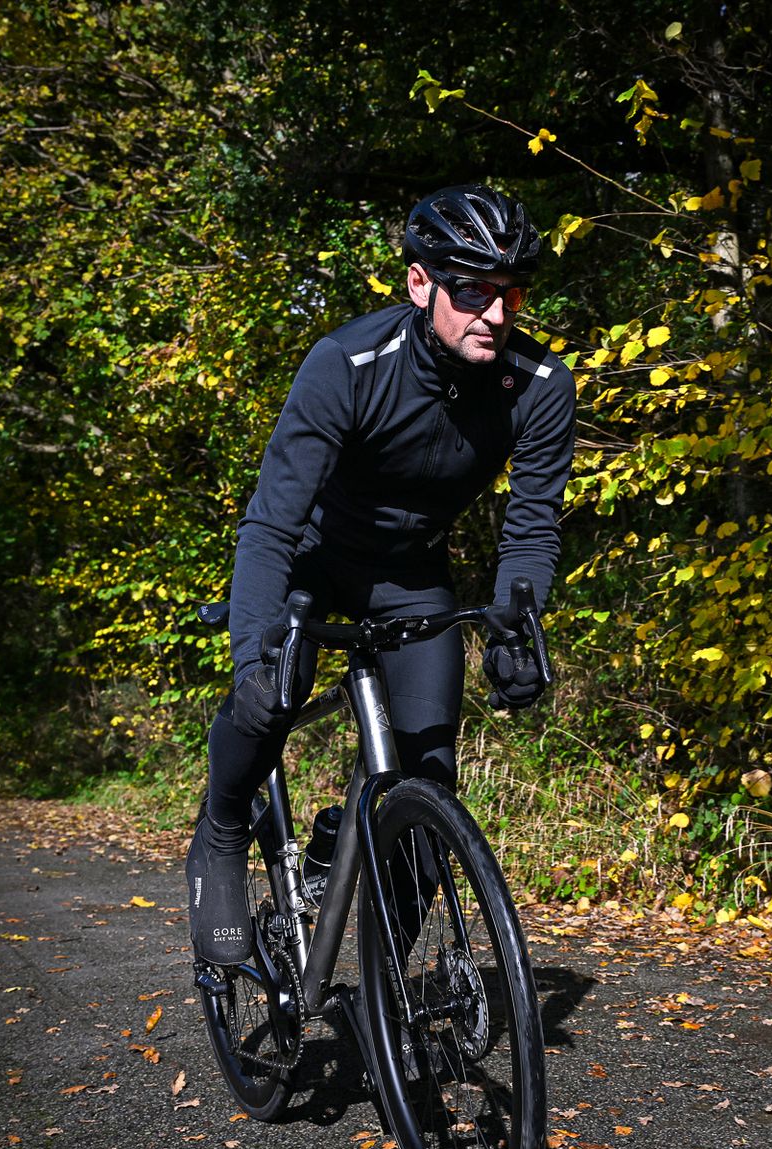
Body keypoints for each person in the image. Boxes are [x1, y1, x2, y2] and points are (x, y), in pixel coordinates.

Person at [186, 183, 577, 966]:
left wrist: (515, 625)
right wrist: (253, 656)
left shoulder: (538, 387)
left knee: (429, 788)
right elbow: (271, 522)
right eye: (471, 291)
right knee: (269, 698)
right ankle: (224, 827)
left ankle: (383, 1000)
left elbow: (530, 526)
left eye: (509, 294)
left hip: (410, 575)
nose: (494, 315)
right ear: (419, 283)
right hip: (314, 562)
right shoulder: (347, 363)